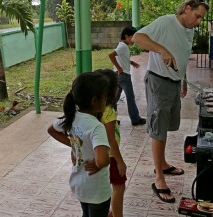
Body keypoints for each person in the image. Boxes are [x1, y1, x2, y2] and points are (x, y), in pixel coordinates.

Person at [132, 0, 209, 203]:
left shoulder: (188, 30)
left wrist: (183, 79)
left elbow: (182, 55)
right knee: (158, 129)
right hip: (159, 82)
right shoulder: (166, 22)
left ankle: (163, 164)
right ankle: (158, 178)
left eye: (201, 18)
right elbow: (137, 38)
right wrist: (161, 50)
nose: (199, 21)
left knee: (166, 126)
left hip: (174, 82)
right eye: (197, 16)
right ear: (186, 9)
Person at [47, 71, 112, 217]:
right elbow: (103, 160)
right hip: (97, 189)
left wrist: (75, 144)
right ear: (95, 100)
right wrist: (97, 164)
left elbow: (52, 130)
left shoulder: (72, 117)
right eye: (105, 96)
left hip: (80, 184)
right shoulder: (96, 126)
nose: (106, 99)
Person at [85, 69, 127, 217]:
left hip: (97, 153)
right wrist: (120, 161)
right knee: (119, 186)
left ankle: (111, 213)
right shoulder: (108, 110)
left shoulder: (92, 109)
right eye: (117, 86)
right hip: (110, 156)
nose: (118, 89)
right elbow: (111, 140)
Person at [108, 26, 146, 126]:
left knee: (114, 98)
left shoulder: (123, 46)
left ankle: (110, 119)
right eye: (133, 37)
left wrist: (131, 62)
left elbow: (122, 58)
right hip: (123, 75)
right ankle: (135, 119)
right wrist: (119, 68)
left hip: (117, 75)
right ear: (126, 36)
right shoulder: (122, 46)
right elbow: (111, 55)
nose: (135, 40)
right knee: (130, 98)